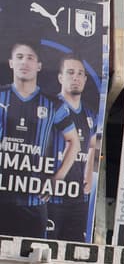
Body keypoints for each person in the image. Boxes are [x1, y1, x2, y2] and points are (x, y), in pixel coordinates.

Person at [0, 41, 58, 237]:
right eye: (19, 57)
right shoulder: (1, 96)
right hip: (2, 196)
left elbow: (75, 142)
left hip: (33, 201)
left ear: (39, 65)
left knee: (32, 260)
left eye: (30, 57)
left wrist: (56, 178)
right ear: (10, 63)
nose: (24, 62)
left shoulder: (51, 104)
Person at [47, 55, 93, 241]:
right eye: (70, 72)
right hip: (53, 198)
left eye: (80, 73)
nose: (76, 77)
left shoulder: (91, 113)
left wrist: (89, 175)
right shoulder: (50, 108)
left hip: (79, 202)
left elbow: (93, 146)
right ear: (60, 77)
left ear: (85, 79)